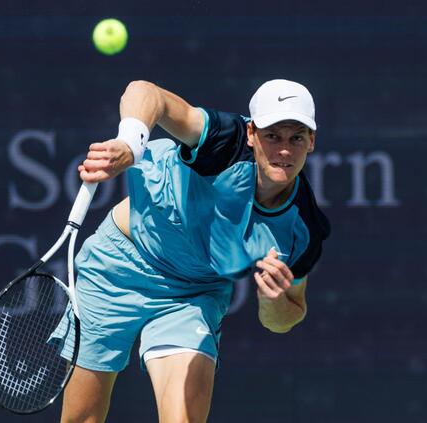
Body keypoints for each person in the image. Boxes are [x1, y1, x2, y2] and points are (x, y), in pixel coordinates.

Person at [50, 78, 330, 423]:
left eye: (296, 138)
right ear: (251, 134)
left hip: (193, 293)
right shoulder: (223, 139)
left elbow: (288, 314)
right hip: (118, 266)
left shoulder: (303, 226)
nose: (284, 150)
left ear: (311, 141)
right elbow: (145, 92)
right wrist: (130, 144)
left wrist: (273, 301)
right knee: (81, 418)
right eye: (273, 136)